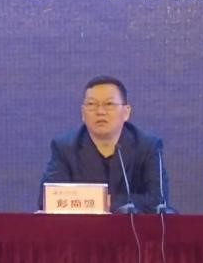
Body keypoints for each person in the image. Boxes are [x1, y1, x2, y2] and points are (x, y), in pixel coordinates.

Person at [39, 76, 168, 213]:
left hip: (132, 225)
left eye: (109, 104)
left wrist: (104, 201)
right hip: (81, 225)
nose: (100, 112)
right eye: (91, 104)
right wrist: (100, 201)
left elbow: (158, 200)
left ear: (126, 112)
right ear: (83, 113)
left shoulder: (147, 146)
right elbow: (47, 199)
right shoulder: (65, 147)